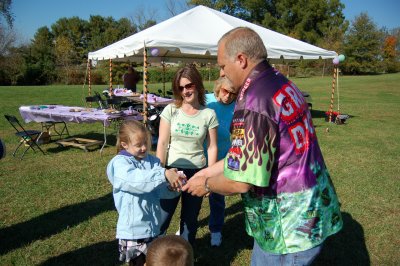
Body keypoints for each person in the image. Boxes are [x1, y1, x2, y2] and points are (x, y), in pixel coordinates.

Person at [183, 27, 343, 265]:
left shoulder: (253, 101)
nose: (221, 72)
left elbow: (240, 180)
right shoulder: (280, 82)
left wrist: (205, 184)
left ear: (241, 60)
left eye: (223, 66)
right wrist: (208, 171)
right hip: (309, 208)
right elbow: (251, 154)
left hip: (287, 226)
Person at [107, 120, 185, 266]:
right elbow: (137, 181)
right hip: (133, 230)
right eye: (138, 145)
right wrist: (163, 174)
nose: (144, 148)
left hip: (153, 226)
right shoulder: (120, 164)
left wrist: (171, 188)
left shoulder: (153, 161)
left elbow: (158, 190)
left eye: (146, 143)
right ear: (124, 145)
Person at [156, 65, 219, 246]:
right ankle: (154, 257)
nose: (185, 91)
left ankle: (186, 257)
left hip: (197, 173)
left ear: (197, 85)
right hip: (172, 172)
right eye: (181, 88)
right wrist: (160, 172)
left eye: (189, 86)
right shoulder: (170, 110)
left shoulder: (209, 114)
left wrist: (209, 176)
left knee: (190, 222)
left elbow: (212, 147)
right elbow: (161, 142)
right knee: (162, 219)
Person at [205, 77, 237, 247]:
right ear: (218, 88)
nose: (228, 96)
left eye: (232, 93)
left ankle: (216, 230)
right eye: (225, 91)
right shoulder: (207, 102)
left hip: (221, 159)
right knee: (191, 196)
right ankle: (186, 226)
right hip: (200, 157)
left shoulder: (237, 108)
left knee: (217, 197)